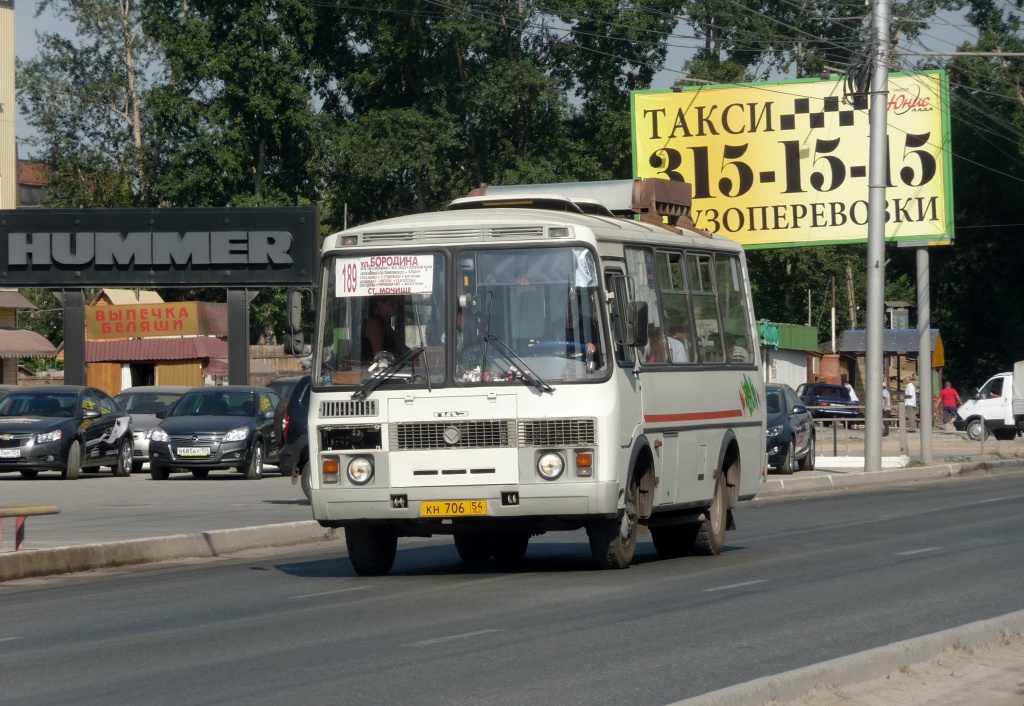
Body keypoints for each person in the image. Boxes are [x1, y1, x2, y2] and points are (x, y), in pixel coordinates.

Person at [361, 295, 406, 361]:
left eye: (396, 303)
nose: (395, 306)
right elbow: (379, 356)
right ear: (379, 304)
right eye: (392, 303)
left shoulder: (387, 326)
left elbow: (401, 347)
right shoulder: (376, 325)